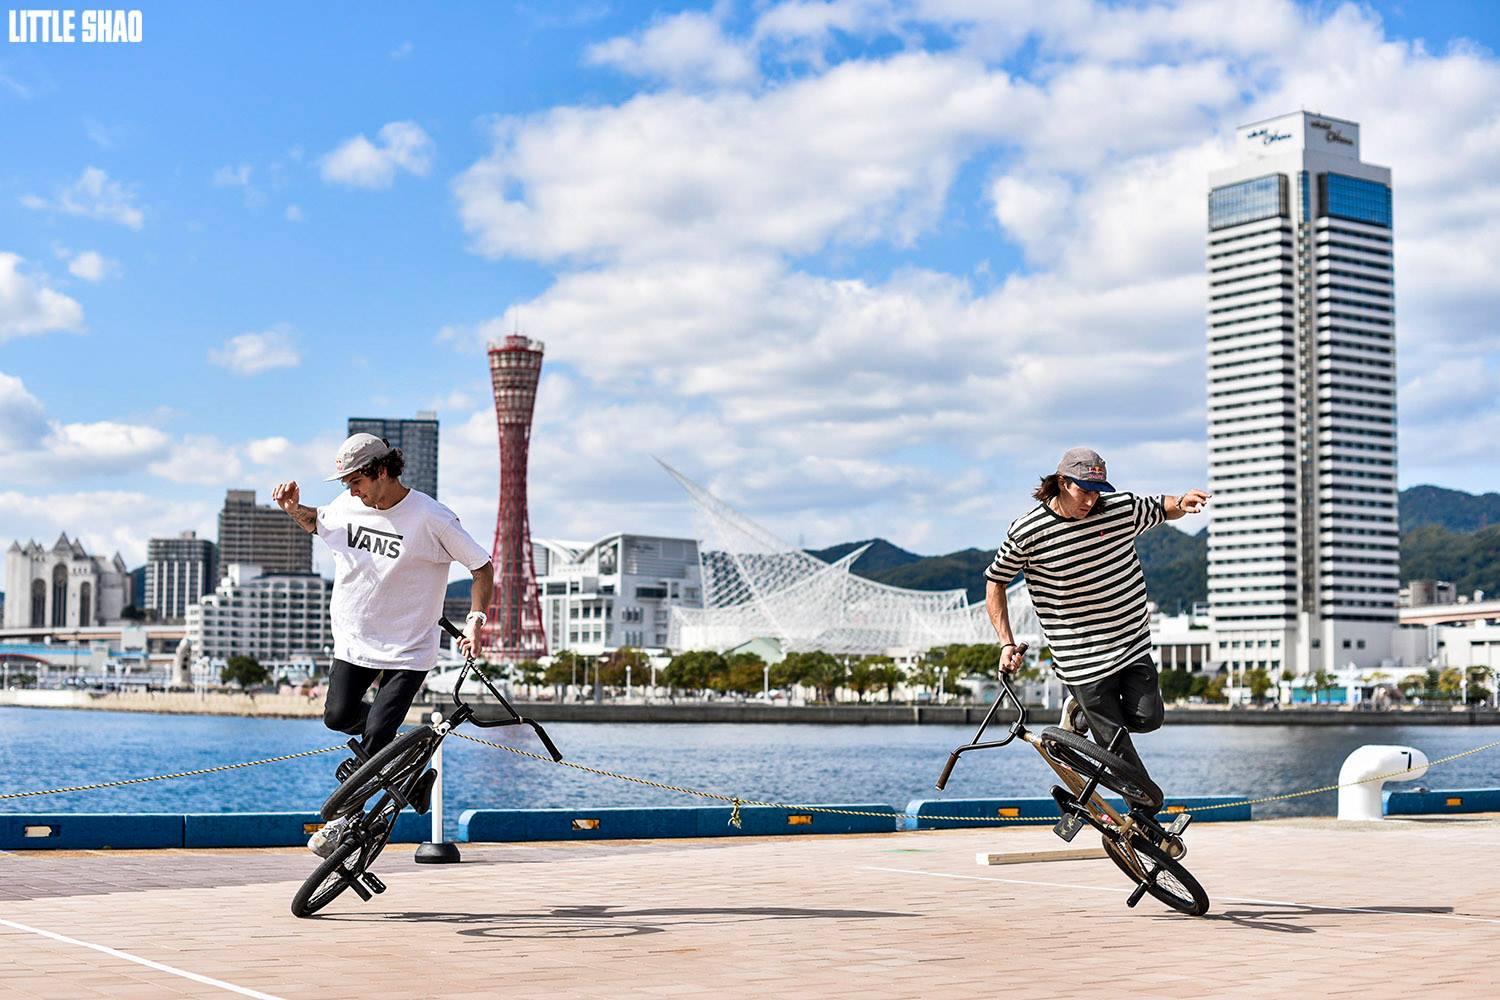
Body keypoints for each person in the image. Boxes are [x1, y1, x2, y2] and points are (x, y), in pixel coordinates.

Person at [272, 432, 494, 855]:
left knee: (376, 732)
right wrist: (292, 509)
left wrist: (475, 623)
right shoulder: (347, 505)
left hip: (408, 651)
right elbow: (319, 523)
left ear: (384, 471)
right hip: (354, 640)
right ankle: (408, 765)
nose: (352, 491)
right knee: (337, 717)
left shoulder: (432, 518)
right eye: (346, 484)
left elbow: (482, 568)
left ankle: (345, 823)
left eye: (357, 481)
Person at [982, 447, 1209, 789]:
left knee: (1149, 718)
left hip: (1130, 643)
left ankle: (1078, 713)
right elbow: (996, 581)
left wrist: (1184, 503)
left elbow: (1163, 505)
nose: (1091, 501)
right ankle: (1144, 809)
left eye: (1098, 492)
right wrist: (1006, 643)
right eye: (1083, 491)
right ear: (1061, 482)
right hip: (1080, 657)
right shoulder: (1027, 532)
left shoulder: (1119, 509)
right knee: (1114, 742)